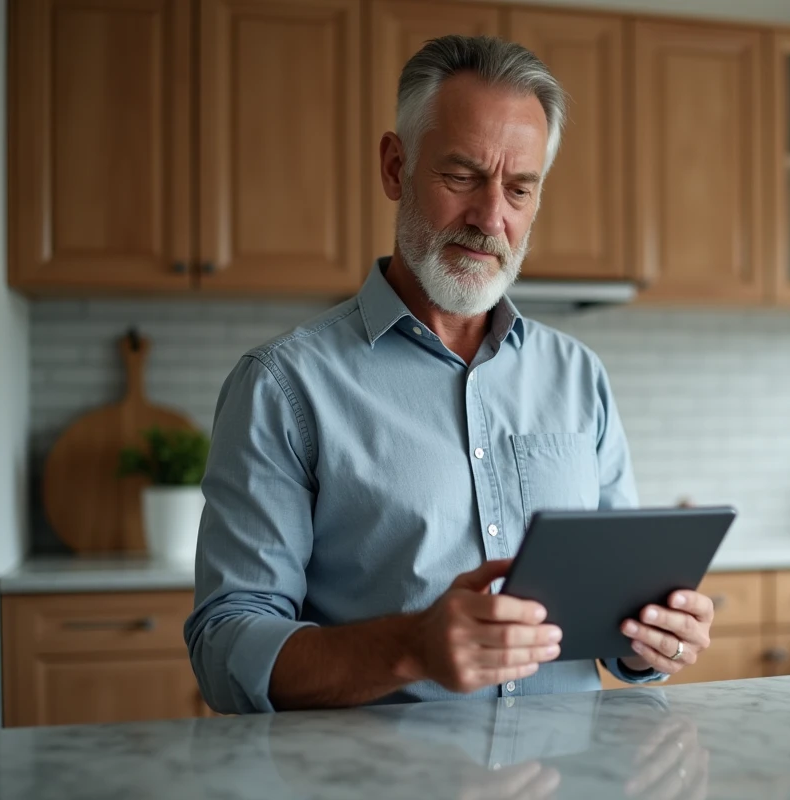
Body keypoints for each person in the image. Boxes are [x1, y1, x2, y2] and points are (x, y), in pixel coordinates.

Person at [184, 35, 715, 714]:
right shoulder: (284, 386)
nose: (491, 217)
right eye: (462, 176)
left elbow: (616, 616)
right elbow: (226, 648)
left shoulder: (579, 377)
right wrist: (411, 648)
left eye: (520, 189)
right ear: (394, 165)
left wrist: (650, 642)